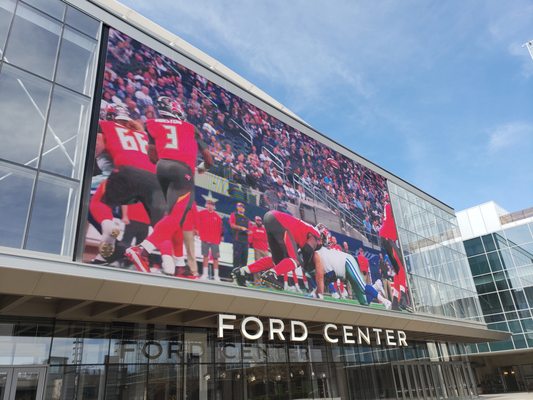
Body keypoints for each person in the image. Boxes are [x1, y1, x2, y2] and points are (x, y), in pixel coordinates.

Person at [125, 96, 213, 274]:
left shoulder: (151, 123)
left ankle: (180, 267)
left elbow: (151, 155)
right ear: (176, 109)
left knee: (174, 219)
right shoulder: (190, 127)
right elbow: (209, 159)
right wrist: (201, 169)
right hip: (182, 171)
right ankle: (142, 250)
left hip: (162, 169)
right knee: (175, 217)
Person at [96, 107, 166, 260]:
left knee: (96, 202)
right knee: (162, 225)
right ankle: (170, 261)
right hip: (154, 179)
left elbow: (97, 149)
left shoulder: (106, 125)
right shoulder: (143, 135)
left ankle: (108, 227)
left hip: (126, 172)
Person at [232, 211, 325, 297]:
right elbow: (308, 250)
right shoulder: (316, 235)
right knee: (296, 261)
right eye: (322, 241)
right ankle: (271, 274)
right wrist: (308, 265)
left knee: (277, 261)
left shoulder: (304, 230)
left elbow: (299, 246)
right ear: (321, 238)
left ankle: (242, 271)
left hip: (270, 218)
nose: (321, 244)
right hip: (281, 224)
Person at [379, 194, 408, 311]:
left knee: (398, 270)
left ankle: (396, 301)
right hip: (388, 238)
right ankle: (403, 296)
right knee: (401, 269)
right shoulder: (391, 207)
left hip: (387, 238)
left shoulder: (388, 207)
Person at [197, 192, 223, 281]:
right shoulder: (201, 213)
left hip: (215, 241)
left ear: (214, 206)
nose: (210, 206)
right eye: (209, 204)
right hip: (204, 239)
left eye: (212, 204)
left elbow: (220, 229)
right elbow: (197, 224)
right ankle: (205, 274)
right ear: (206, 204)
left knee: (215, 258)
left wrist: (218, 240)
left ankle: (216, 276)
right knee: (205, 256)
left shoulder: (218, 217)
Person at [229, 202, 250, 272]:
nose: (241, 208)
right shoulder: (234, 215)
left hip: (245, 242)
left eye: (242, 207)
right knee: (236, 259)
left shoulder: (247, 219)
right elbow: (232, 225)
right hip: (237, 240)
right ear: (237, 207)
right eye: (239, 206)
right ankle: (235, 275)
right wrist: (241, 228)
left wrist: (249, 231)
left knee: (244, 260)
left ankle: (242, 277)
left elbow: (249, 230)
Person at [248, 215, 269, 284]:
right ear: (255, 221)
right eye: (257, 220)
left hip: (265, 249)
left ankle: (268, 281)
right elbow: (250, 239)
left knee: (268, 265)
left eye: (260, 220)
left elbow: (266, 239)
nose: (259, 221)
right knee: (257, 266)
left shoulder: (264, 229)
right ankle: (257, 281)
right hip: (257, 249)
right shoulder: (252, 228)